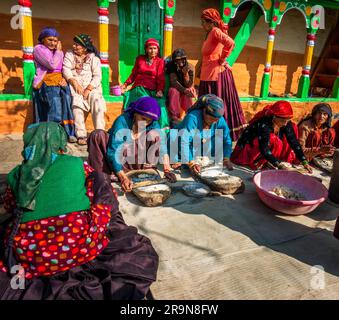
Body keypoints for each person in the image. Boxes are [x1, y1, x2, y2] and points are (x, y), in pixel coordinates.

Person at [0, 122, 159, 300]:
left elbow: (10, 207)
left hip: (31, 256)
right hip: (79, 245)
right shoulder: (76, 163)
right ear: (60, 143)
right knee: (99, 180)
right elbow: (96, 191)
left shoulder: (16, 174)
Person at [88, 97, 176, 193]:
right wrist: (123, 178)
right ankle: (105, 175)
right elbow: (113, 150)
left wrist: (167, 169)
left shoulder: (153, 123)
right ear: (135, 113)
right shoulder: (122, 121)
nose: (145, 123)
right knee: (97, 135)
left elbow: (162, 145)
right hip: (118, 162)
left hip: (136, 163)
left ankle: (140, 171)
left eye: (149, 121)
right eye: (143, 118)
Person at [198, 8, 247, 141]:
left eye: (203, 22)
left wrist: (222, 59)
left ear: (210, 22)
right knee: (207, 105)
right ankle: (208, 134)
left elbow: (231, 43)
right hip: (208, 74)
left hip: (216, 75)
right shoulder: (209, 34)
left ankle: (220, 135)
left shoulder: (215, 31)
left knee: (216, 105)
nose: (202, 24)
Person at [231, 100, 313, 173]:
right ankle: (259, 162)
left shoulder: (286, 123)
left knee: (293, 128)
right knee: (275, 141)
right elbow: (264, 148)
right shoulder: (264, 124)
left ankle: (269, 160)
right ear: (274, 117)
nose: (285, 124)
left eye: (287, 121)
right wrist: (279, 164)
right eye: (282, 121)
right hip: (250, 147)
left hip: (264, 145)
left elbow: (294, 142)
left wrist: (304, 162)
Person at [169, 94, 233, 174]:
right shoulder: (193, 118)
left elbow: (227, 140)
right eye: (211, 119)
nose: (213, 122)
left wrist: (226, 158)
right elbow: (184, 142)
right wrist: (192, 163)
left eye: (215, 120)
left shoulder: (219, 120)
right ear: (204, 111)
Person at [32, 27, 76, 142]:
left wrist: (64, 79)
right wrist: (59, 51)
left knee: (67, 103)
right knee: (55, 107)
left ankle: (68, 132)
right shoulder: (38, 49)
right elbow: (52, 64)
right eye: (50, 40)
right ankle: (52, 135)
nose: (53, 43)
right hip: (47, 81)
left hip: (59, 80)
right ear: (43, 40)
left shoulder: (56, 52)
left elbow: (62, 68)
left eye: (55, 41)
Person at [63, 34, 106, 145]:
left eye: (77, 45)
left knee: (97, 101)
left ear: (85, 48)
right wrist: (74, 82)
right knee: (76, 105)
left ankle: (99, 132)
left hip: (92, 87)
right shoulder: (69, 55)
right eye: (74, 44)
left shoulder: (94, 58)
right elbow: (66, 69)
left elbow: (97, 76)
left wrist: (88, 89)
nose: (74, 46)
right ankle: (81, 134)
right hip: (75, 86)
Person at [120, 39, 169, 129]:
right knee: (142, 103)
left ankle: (162, 129)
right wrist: (126, 84)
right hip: (139, 87)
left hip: (152, 89)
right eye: (150, 48)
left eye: (155, 48)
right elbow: (134, 73)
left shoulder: (160, 61)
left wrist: (159, 90)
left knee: (160, 104)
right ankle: (134, 127)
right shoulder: (140, 59)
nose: (153, 51)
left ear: (158, 50)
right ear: (146, 49)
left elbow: (160, 78)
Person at [166, 48, 196, 126]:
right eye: (178, 60)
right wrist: (184, 90)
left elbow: (188, 84)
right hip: (175, 88)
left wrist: (185, 74)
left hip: (185, 88)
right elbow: (173, 82)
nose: (180, 62)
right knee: (173, 91)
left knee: (189, 91)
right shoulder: (171, 66)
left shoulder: (190, 67)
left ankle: (190, 114)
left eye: (182, 59)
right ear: (174, 60)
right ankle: (174, 116)